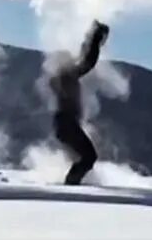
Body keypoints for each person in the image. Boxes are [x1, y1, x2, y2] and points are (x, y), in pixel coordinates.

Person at [48, 20, 109, 185]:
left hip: (64, 124)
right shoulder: (67, 75)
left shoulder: (62, 77)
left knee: (84, 157)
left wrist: (90, 41)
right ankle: (70, 188)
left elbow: (83, 60)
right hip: (67, 124)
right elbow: (87, 63)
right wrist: (95, 40)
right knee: (88, 157)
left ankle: (72, 184)